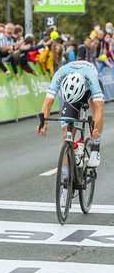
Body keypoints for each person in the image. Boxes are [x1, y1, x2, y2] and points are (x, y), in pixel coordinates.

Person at [37, 61, 104, 203]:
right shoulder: (60, 74)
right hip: (72, 93)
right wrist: (44, 124)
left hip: (89, 90)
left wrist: (95, 129)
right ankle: (66, 185)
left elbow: (99, 109)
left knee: (95, 110)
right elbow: (47, 103)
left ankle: (96, 147)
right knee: (67, 132)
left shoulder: (91, 76)